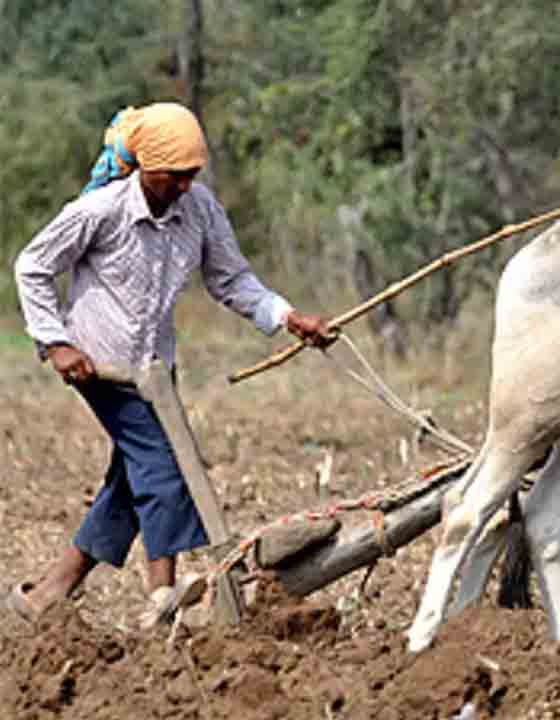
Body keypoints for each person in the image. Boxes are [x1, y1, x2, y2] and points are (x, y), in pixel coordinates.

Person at [9, 102, 333, 628]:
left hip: (156, 368)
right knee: (166, 470)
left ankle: (49, 592)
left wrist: (289, 317)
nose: (185, 186)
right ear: (145, 168)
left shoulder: (200, 210)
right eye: (174, 177)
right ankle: (162, 602)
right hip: (103, 367)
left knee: (131, 481)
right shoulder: (101, 210)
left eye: (192, 176)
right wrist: (57, 343)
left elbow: (231, 280)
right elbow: (32, 266)